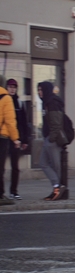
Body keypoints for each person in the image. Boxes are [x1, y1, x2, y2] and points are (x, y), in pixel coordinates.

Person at [38, 81, 68, 201]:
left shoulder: (52, 103)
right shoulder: (45, 103)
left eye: (41, 90)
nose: (39, 92)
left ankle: (58, 190)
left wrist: (51, 138)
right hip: (48, 138)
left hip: (53, 140)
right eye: (38, 90)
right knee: (43, 163)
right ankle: (57, 186)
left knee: (56, 166)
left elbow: (56, 123)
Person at [6, 78, 29, 200]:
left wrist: (25, 140)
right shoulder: (3, 100)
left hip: (16, 140)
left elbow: (24, 123)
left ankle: (14, 191)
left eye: (14, 87)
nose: (12, 89)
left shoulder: (19, 103)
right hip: (4, 138)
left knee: (15, 167)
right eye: (10, 87)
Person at [0, 76, 21, 206]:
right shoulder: (6, 98)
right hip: (2, 137)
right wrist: (16, 138)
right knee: (0, 167)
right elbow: (10, 121)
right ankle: (0, 195)